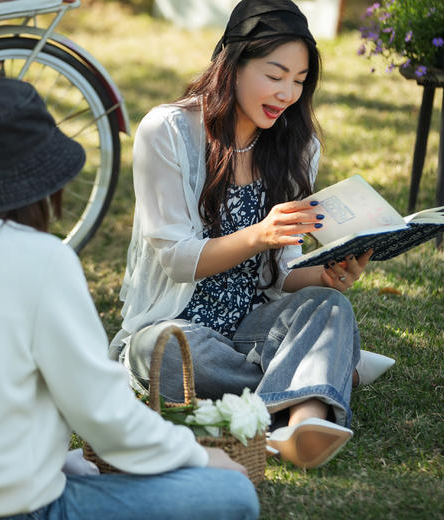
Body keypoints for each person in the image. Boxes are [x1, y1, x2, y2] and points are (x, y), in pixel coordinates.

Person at [0, 78, 259, 520]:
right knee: (230, 494)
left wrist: (54, 463)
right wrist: (200, 456)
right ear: (44, 184)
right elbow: (103, 415)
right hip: (17, 508)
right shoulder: (42, 259)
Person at [110, 0, 394, 469]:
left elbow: (282, 276)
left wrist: (325, 276)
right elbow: (178, 259)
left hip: (253, 326)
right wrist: (260, 234)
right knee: (157, 353)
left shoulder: (297, 144)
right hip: (178, 324)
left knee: (329, 306)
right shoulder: (169, 131)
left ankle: (302, 422)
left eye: (300, 82)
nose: (287, 94)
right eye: (276, 74)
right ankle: (318, 376)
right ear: (234, 62)